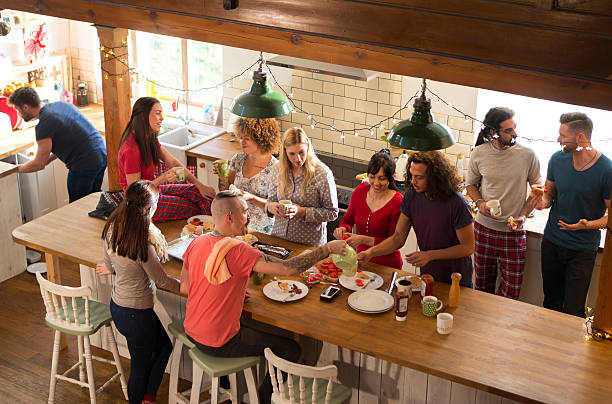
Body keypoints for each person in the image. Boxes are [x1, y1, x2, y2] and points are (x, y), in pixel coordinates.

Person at [180, 190, 346, 404]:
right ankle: (263, 399)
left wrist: (229, 293)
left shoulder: (197, 242)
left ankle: (228, 385)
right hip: (218, 342)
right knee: (290, 348)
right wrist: (326, 249)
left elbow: (186, 287)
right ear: (230, 217)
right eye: (245, 212)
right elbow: (287, 269)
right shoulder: (238, 249)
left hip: (192, 332)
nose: (248, 217)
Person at [97, 180, 180, 404]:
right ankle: (142, 399)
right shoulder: (143, 243)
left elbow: (111, 265)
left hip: (119, 307)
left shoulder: (112, 228)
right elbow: (162, 281)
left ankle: (148, 397)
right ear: (151, 209)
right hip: (137, 314)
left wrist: (116, 268)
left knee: (162, 348)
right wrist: (189, 288)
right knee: (140, 368)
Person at [358, 151, 475, 286]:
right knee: (426, 306)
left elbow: (467, 247)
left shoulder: (457, 203)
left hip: (456, 278)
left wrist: (430, 255)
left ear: (434, 177)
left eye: (419, 177)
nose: (413, 181)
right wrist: (370, 253)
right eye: (412, 175)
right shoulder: (411, 197)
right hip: (428, 274)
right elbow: (397, 238)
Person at [536, 112, 611, 317]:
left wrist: (586, 225)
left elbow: (610, 217)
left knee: (573, 310)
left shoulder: (606, 169)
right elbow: (549, 193)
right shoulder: (557, 159)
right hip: (552, 242)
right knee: (550, 302)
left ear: (580, 137)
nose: (558, 139)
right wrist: (542, 202)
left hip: (582, 250)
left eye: (562, 135)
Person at [466, 107, 542, 299]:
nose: (514, 133)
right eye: (509, 130)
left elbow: (536, 190)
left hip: (514, 233)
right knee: (482, 289)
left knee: (511, 294)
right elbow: (470, 186)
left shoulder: (528, 155)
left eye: (514, 128)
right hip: (483, 230)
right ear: (493, 132)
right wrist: (480, 203)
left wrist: (523, 216)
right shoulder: (479, 153)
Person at [118, 97, 215, 222]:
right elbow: (135, 192)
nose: (162, 118)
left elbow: (174, 163)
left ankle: (214, 233)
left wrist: (200, 185)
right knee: (194, 208)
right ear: (143, 116)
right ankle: (209, 235)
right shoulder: (131, 149)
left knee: (200, 194)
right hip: (142, 205)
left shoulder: (149, 138)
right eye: (158, 113)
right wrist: (163, 178)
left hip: (154, 191)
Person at [8, 86, 107, 203]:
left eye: (17, 110)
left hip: (84, 164)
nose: (18, 114)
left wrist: (14, 169)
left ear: (26, 107)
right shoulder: (62, 105)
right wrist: (48, 159)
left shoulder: (44, 125)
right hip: (101, 156)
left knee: (78, 206)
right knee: (94, 202)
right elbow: (69, 138)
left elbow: (39, 164)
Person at [265, 127, 338, 246]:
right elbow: (270, 201)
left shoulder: (322, 174)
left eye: (301, 152)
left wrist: (302, 211)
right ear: (285, 151)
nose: (297, 158)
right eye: (292, 154)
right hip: (278, 239)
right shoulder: (277, 169)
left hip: (308, 244)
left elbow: (332, 213)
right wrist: (270, 207)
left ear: (308, 147)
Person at [334, 149, 403, 269]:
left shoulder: (397, 202)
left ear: (391, 178)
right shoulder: (360, 191)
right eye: (372, 177)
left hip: (388, 265)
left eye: (382, 178)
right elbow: (348, 220)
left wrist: (363, 239)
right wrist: (343, 229)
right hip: (360, 261)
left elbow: (394, 242)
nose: (376, 183)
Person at [217, 117, 280, 233]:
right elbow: (224, 191)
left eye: (246, 138)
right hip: (234, 226)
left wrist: (251, 198)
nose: (242, 142)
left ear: (261, 139)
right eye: (241, 138)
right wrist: (222, 175)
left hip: (260, 230)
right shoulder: (238, 159)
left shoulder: (276, 168)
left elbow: (275, 207)